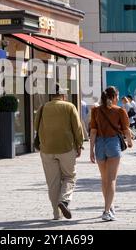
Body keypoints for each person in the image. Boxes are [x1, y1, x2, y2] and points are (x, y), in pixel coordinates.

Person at [34, 83, 84, 220]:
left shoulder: (43, 107)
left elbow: (35, 125)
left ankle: (56, 214)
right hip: (66, 148)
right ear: (63, 95)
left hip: (47, 149)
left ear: (51, 96)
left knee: (53, 182)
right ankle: (64, 200)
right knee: (70, 176)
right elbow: (77, 128)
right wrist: (79, 145)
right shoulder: (69, 106)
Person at [90, 87, 133, 221]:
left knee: (104, 179)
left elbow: (93, 131)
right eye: (117, 95)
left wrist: (91, 149)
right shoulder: (120, 111)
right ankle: (107, 211)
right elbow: (126, 130)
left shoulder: (95, 110)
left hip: (99, 144)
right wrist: (130, 142)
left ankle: (110, 205)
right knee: (112, 179)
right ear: (114, 96)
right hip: (113, 143)